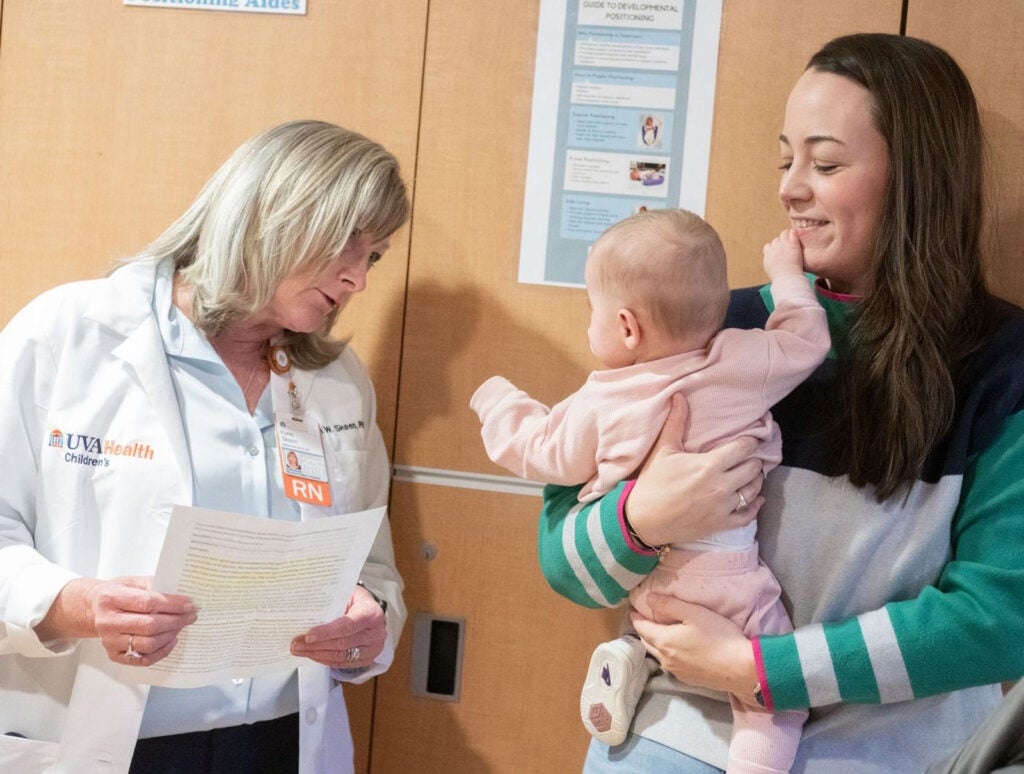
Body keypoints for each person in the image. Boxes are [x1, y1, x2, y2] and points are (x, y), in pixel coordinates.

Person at [538, 33, 1024, 773]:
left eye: (824, 164)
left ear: (917, 181)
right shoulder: (711, 330)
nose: (791, 188)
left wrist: (760, 670)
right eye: (785, 159)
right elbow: (561, 557)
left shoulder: (1002, 365)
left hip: (898, 754)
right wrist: (641, 518)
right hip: (679, 734)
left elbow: (1000, 617)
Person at [0, 119, 409, 773]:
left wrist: (365, 630)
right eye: (348, 244)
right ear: (271, 216)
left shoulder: (335, 381)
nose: (359, 278)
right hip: (106, 742)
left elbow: (372, 568)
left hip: (282, 743)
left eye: (375, 257)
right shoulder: (66, 337)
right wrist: (79, 605)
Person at [471, 208, 829, 772]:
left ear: (626, 327)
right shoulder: (742, 359)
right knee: (772, 699)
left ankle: (632, 653)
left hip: (647, 581)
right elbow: (807, 337)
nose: (587, 326)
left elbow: (541, 452)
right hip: (731, 581)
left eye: (591, 311)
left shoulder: (604, 399)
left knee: (677, 639)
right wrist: (787, 274)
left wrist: (496, 401)